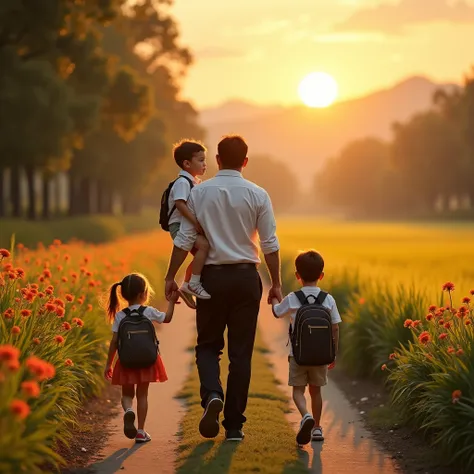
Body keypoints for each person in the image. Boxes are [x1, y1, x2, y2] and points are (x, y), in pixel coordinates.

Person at [164, 135, 281, 442]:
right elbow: (269, 244)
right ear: (245, 161)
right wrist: (277, 283)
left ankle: (213, 394)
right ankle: (234, 426)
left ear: (217, 159)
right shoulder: (258, 193)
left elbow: (185, 238)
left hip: (211, 278)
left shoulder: (199, 192)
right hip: (245, 279)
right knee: (241, 354)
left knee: (207, 346)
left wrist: (170, 276)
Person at [272, 250, 341, 445]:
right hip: (320, 357)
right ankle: (317, 428)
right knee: (316, 391)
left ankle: (305, 416)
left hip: (298, 356)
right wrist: (332, 353)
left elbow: (277, 312)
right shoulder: (328, 299)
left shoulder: (293, 298)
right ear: (321, 275)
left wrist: (275, 297)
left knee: (297, 391)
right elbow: (335, 328)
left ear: (297, 275)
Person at [104, 273, 179, 443]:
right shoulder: (149, 312)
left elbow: (114, 342)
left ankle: (128, 410)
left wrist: (109, 364)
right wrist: (172, 302)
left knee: (127, 394)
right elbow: (166, 319)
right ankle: (141, 431)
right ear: (142, 294)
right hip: (147, 360)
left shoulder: (120, 316)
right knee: (143, 395)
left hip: (127, 361)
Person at [167, 140, 210, 308]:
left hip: (186, 225)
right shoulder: (183, 182)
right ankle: (192, 283)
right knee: (205, 246)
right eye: (200, 160)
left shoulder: (192, 182)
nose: (204, 164)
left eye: (204, 160)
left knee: (206, 251)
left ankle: (188, 283)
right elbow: (180, 204)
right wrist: (196, 222)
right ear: (186, 163)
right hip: (179, 226)